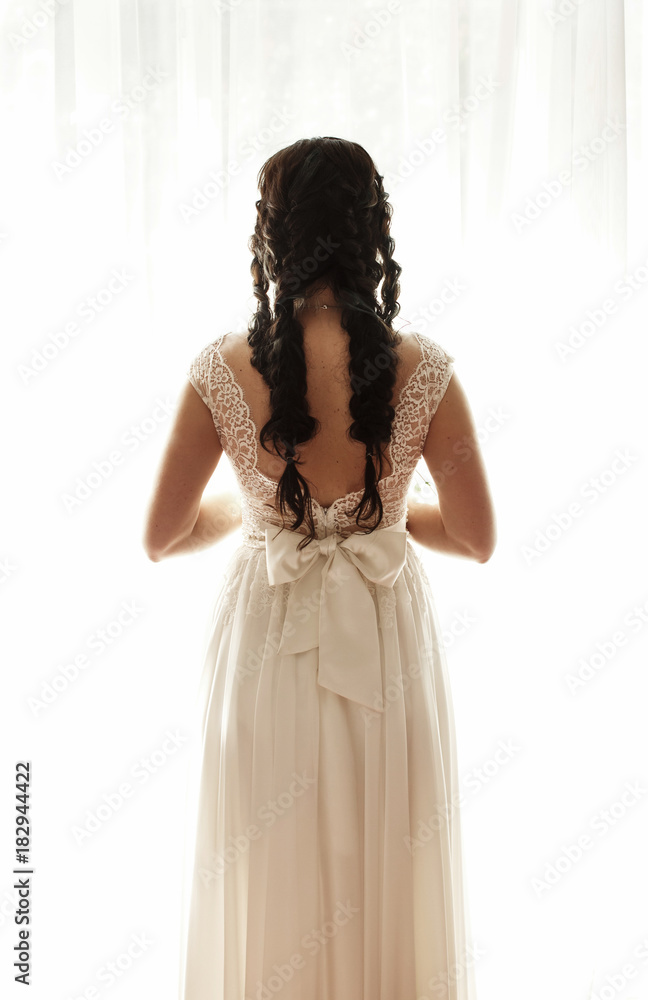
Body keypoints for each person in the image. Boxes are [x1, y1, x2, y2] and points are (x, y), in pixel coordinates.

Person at [143, 136, 496, 1000]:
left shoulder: (220, 370)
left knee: (270, 860)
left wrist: (262, 514)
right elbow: (475, 536)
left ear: (273, 237)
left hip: (268, 633)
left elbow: (163, 534)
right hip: (386, 637)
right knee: (388, 857)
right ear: (372, 234)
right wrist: (376, 514)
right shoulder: (428, 372)